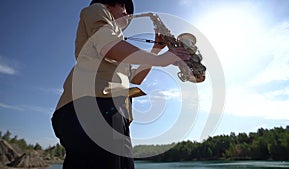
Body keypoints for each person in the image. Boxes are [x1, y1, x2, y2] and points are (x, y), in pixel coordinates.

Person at [51, 0, 190, 168]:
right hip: (92, 105)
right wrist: (160, 60)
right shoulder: (97, 9)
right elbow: (108, 46)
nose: (127, 13)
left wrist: (156, 49)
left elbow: (136, 78)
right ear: (108, 4)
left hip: (110, 109)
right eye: (123, 6)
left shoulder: (119, 44)